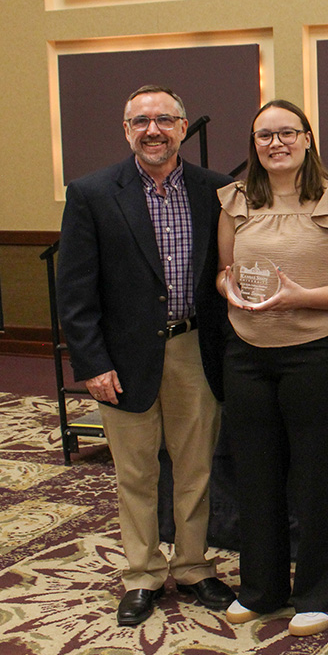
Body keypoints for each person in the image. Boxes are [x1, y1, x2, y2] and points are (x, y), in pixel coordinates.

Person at [57, 85, 236, 626]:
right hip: (122, 356)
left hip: (194, 348)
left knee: (196, 466)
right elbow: (75, 290)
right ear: (126, 130)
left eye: (164, 119)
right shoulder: (91, 193)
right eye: (140, 121)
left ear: (183, 127)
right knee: (134, 471)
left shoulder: (216, 190)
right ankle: (141, 573)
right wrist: (91, 363)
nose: (152, 130)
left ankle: (192, 565)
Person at [216, 99, 328, 636]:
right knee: (255, 473)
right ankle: (261, 587)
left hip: (314, 353)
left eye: (287, 132)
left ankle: (326, 593)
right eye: (264, 135)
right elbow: (223, 272)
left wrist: (303, 296)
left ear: (307, 138)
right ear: (253, 144)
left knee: (318, 475)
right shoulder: (235, 200)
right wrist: (229, 288)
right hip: (246, 354)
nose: (275, 143)